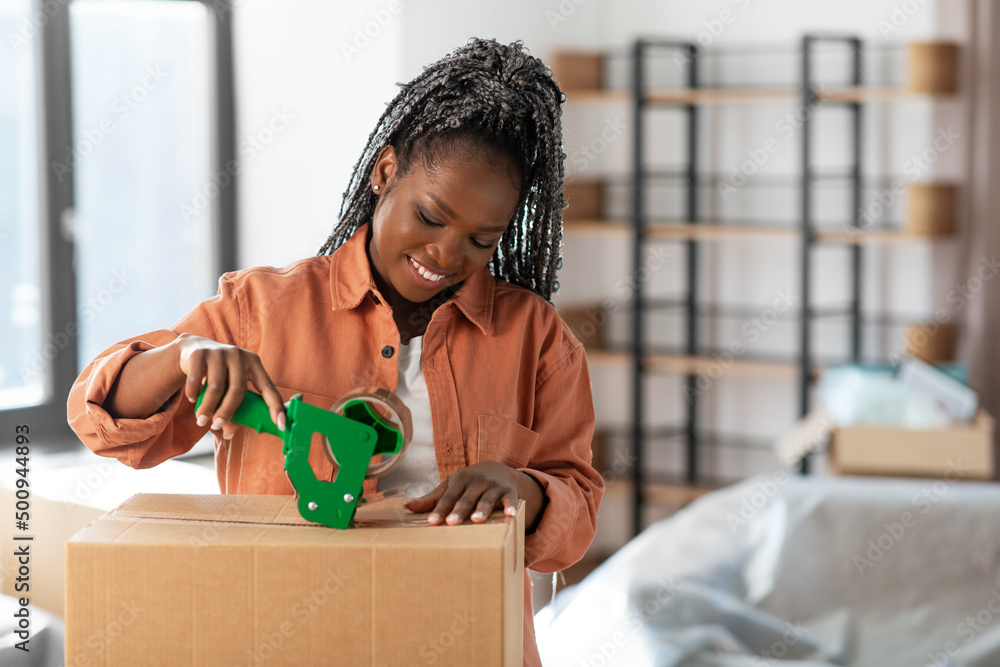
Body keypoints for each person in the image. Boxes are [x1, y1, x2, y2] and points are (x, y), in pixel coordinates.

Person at [67, 37, 603, 665]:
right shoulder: (260, 309)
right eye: (430, 217)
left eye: (481, 240)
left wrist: (519, 486)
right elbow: (103, 425)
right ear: (384, 173)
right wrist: (184, 353)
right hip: (287, 637)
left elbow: (577, 510)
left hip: (468, 639)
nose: (446, 255)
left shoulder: (536, 338)